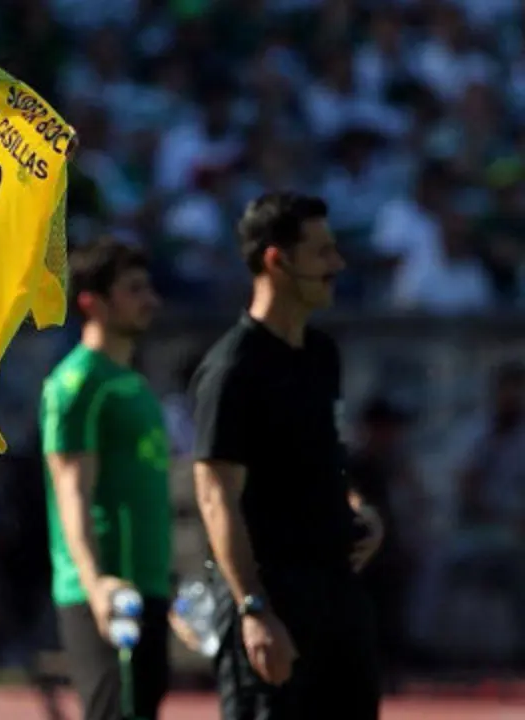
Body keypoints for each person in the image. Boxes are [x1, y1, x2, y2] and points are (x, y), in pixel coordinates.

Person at [191, 192, 385, 720]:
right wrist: (253, 608)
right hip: (273, 601)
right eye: (322, 252)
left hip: (336, 597)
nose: (337, 265)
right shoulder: (233, 370)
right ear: (277, 261)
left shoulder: (322, 355)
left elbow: (328, 461)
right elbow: (216, 499)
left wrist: (359, 511)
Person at [39, 240, 171, 720]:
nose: (150, 300)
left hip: (148, 585)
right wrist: (96, 585)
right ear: (92, 302)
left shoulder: (133, 383)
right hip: (108, 592)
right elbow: (70, 492)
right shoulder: (78, 384)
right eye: (134, 289)